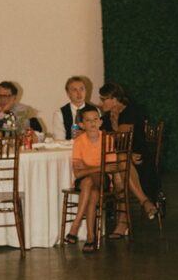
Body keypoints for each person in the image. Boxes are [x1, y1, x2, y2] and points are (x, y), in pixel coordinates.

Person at [98, 83, 158, 231]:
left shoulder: (132, 111)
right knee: (120, 171)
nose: (101, 103)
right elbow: (99, 139)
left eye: (104, 99)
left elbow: (123, 139)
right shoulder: (106, 117)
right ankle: (143, 203)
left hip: (140, 159)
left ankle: (123, 221)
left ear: (115, 99)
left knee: (121, 164)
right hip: (123, 160)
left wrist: (128, 155)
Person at [64, 107, 111, 253]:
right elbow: (78, 174)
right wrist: (97, 167)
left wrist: (88, 168)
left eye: (95, 119)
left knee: (90, 181)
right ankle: (90, 237)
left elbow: (110, 168)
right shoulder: (79, 141)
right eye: (88, 120)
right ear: (82, 125)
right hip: (85, 181)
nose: (92, 123)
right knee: (91, 190)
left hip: (103, 179)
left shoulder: (107, 139)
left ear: (101, 122)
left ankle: (75, 225)